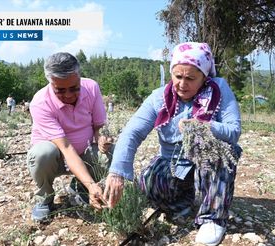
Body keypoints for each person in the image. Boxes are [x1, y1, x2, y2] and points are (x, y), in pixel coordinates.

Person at [103, 42, 242, 245]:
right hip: (174, 163)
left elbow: (233, 131)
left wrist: (205, 126)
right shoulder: (159, 98)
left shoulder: (219, 89)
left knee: (218, 152)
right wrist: (117, 173)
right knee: (149, 185)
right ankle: (185, 198)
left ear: (204, 77)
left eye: (190, 78)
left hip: (206, 161)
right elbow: (131, 133)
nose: (182, 84)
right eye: (178, 76)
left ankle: (212, 217)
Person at [27, 52, 113, 222]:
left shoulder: (92, 88)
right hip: (56, 158)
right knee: (42, 154)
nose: (68, 95)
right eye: (60, 90)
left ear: (80, 77)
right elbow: (66, 149)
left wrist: (102, 137)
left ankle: (80, 186)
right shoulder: (40, 102)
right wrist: (91, 185)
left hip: (84, 152)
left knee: (111, 154)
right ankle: (45, 198)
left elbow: (98, 126)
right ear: (50, 83)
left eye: (74, 88)